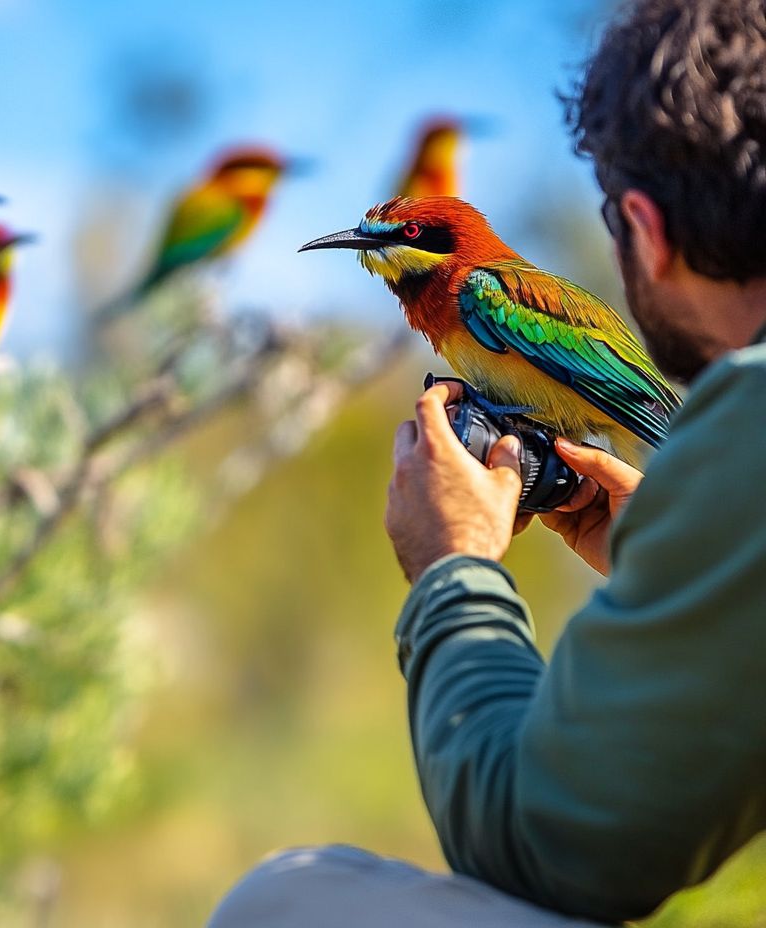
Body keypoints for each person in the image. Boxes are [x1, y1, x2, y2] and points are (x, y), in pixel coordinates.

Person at [209, 0, 766, 924]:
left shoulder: (487, 288)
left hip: (613, 417)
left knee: (283, 897)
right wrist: (680, 558)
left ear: (645, 229)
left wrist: (452, 565)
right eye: (372, 242)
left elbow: (550, 841)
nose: (379, 254)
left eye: (398, 242)